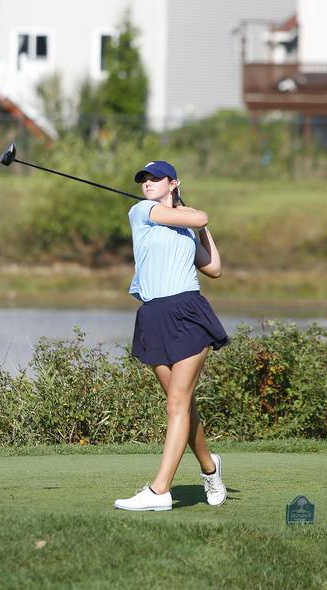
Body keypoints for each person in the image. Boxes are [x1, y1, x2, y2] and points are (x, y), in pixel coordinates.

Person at [114, 160, 229, 512]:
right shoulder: (142, 211)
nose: (147, 183)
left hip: (188, 312)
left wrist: (201, 230)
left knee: (176, 404)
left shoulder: (185, 230)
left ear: (173, 183)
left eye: (155, 178)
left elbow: (214, 268)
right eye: (143, 179)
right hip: (153, 316)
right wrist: (194, 216)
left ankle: (159, 490)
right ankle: (210, 469)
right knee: (182, 404)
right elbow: (199, 215)